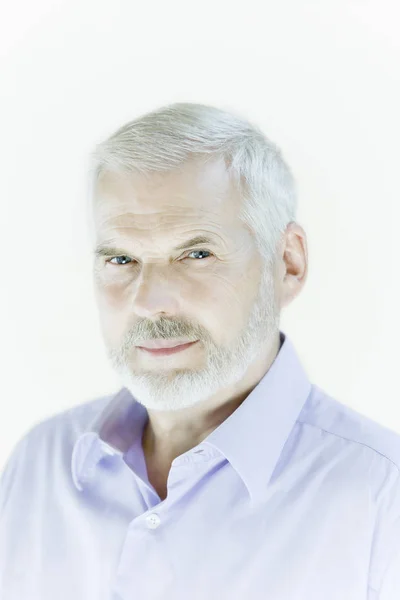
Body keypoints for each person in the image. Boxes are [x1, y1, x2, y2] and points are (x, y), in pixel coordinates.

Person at [0, 103, 399, 600]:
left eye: (196, 254)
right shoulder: (39, 467)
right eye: (121, 258)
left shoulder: (382, 497)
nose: (149, 301)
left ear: (288, 264)